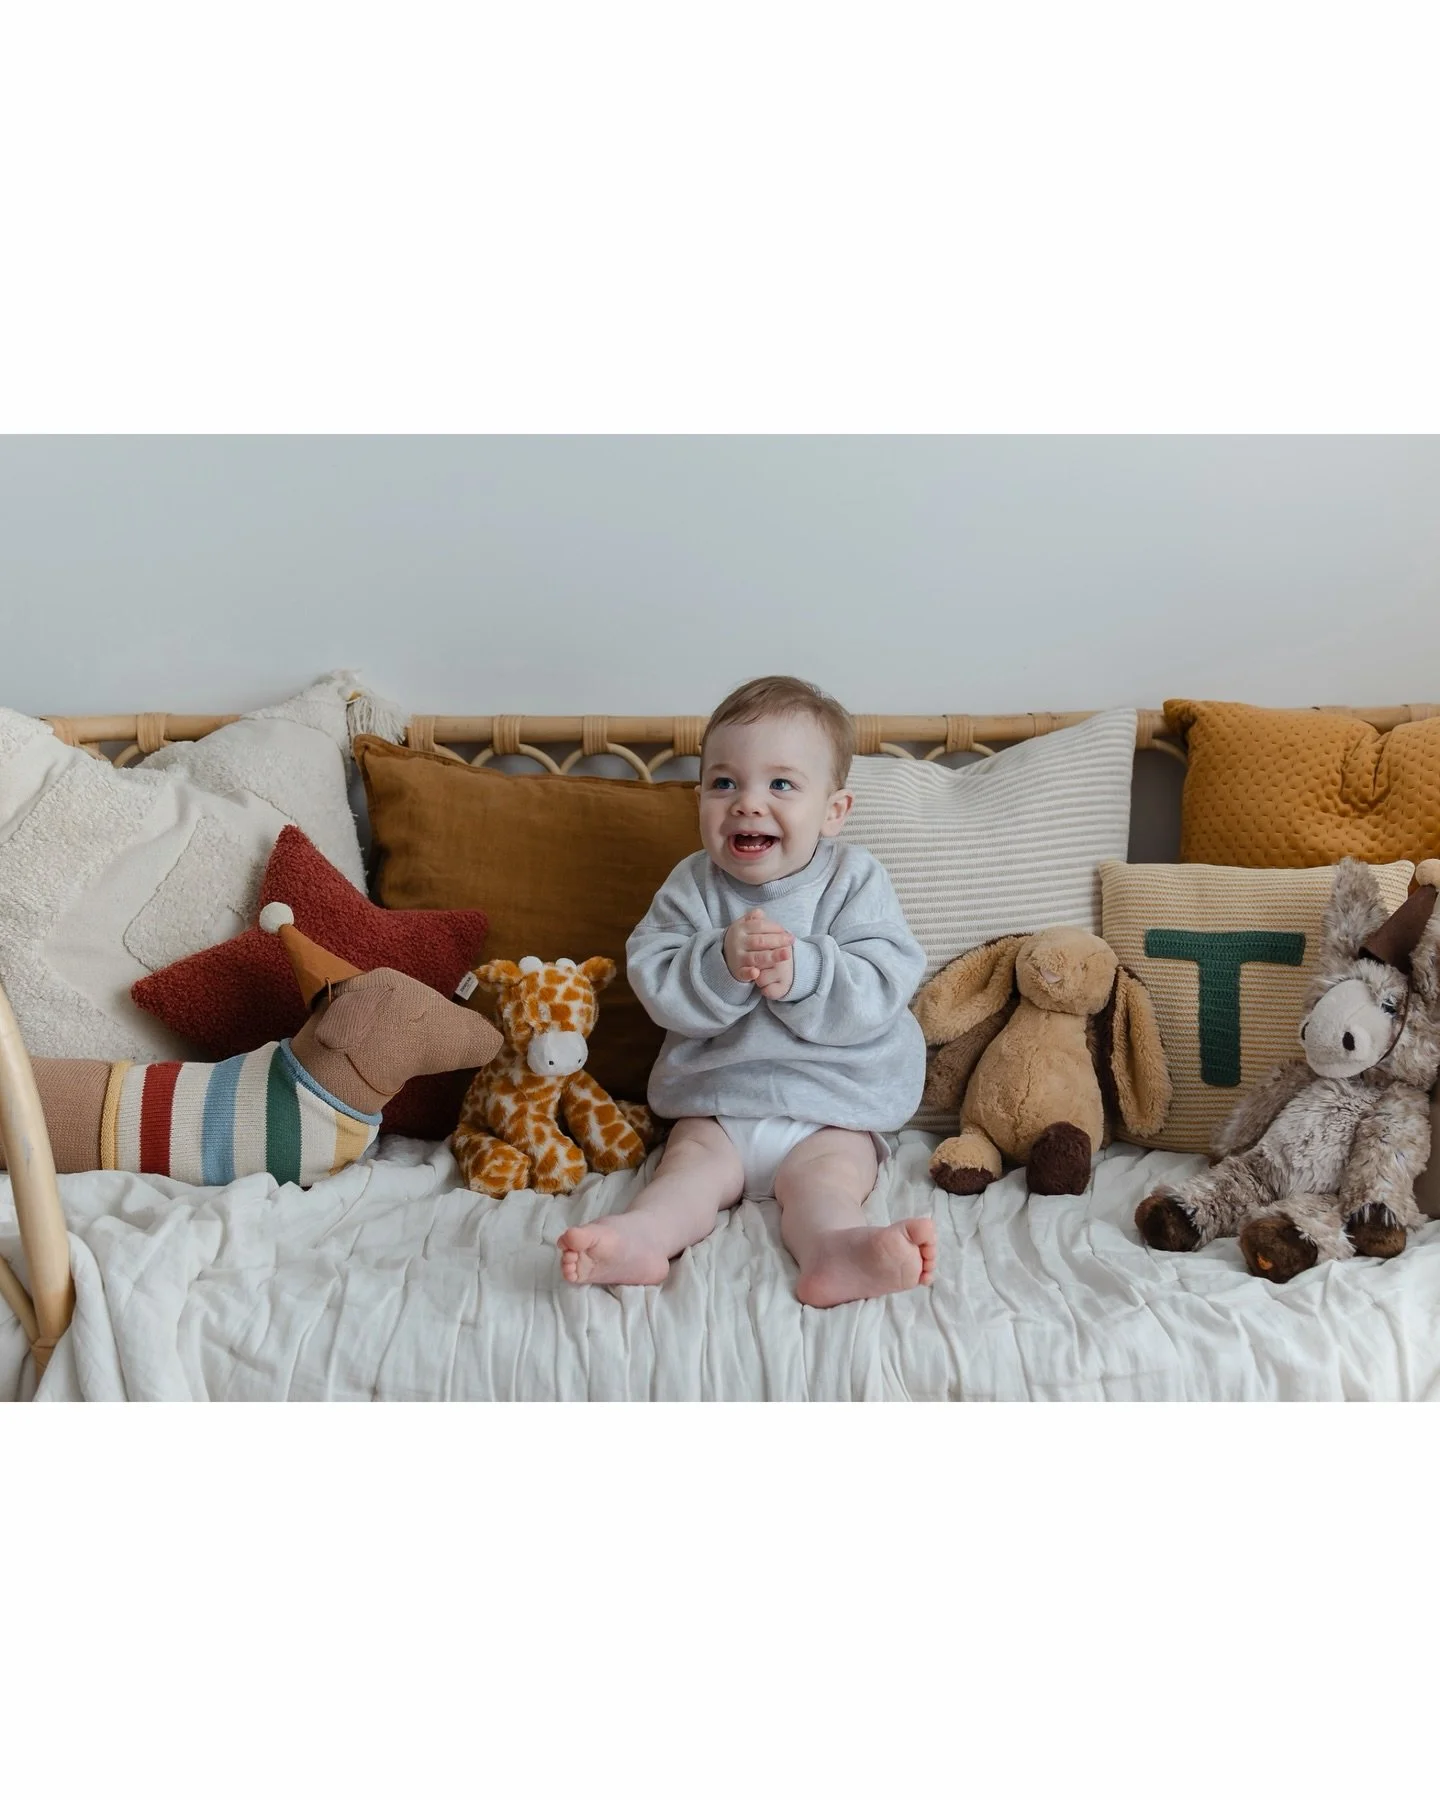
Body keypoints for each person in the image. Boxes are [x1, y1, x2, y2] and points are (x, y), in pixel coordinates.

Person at [558, 674, 935, 1306]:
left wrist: (806, 973)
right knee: (684, 1176)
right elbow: (654, 977)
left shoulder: (856, 881)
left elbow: (885, 981)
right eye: (724, 783)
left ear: (834, 811)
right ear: (701, 797)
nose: (747, 804)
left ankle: (836, 1250)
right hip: (716, 1105)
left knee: (827, 1186)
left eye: (781, 784)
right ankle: (642, 1237)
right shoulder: (692, 885)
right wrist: (718, 965)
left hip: (830, 1109)